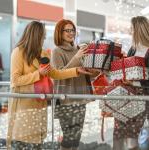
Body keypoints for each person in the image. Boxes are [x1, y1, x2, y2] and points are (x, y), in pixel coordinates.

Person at [7, 21, 92, 150]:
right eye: (43, 36)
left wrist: (76, 71)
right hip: (24, 106)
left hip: (40, 104)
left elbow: (55, 73)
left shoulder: (43, 53)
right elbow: (15, 80)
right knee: (23, 141)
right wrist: (38, 74)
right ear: (35, 35)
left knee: (37, 142)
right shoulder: (18, 52)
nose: (44, 38)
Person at [51, 19, 99, 150]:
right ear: (60, 33)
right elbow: (59, 73)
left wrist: (96, 71)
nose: (71, 33)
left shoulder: (78, 49)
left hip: (81, 99)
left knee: (76, 140)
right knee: (68, 140)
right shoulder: (57, 51)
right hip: (66, 100)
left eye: (72, 30)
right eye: (67, 30)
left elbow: (85, 74)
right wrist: (77, 58)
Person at [113, 16, 149, 150]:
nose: (130, 31)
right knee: (123, 135)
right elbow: (129, 72)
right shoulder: (133, 49)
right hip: (129, 98)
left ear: (138, 29)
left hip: (145, 99)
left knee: (139, 138)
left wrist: (136, 83)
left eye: (132, 28)